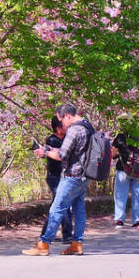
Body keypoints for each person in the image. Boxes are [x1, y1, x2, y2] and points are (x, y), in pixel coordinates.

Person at [23, 103, 92, 256]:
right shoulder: (88, 126)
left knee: (57, 208)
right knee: (79, 210)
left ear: (67, 115)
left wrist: (45, 152)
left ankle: (44, 244)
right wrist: (51, 149)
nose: (62, 123)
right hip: (85, 175)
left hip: (72, 175)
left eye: (61, 120)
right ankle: (77, 244)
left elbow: (62, 156)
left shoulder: (74, 129)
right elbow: (74, 151)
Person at [111, 116, 139, 230]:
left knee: (120, 195)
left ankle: (119, 220)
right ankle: (138, 221)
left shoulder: (120, 136)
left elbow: (113, 154)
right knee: (138, 196)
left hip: (123, 169)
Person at [38, 116, 73, 244]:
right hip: (54, 177)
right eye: (64, 125)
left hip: (64, 176)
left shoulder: (66, 139)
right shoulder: (51, 140)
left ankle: (46, 234)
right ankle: (67, 235)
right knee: (63, 204)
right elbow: (59, 156)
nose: (67, 127)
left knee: (57, 206)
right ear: (58, 128)